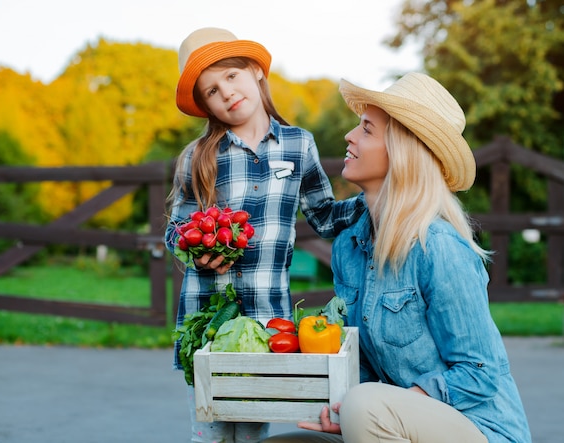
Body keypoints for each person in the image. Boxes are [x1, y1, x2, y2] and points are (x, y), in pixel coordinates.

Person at [261, 73, 532, 442]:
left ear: (402, 152)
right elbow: (367, 369)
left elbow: (479, 372)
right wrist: (351, 411)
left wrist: (380, 407)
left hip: (482, 429)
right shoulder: (349, 247)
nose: (350, 137)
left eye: (367, 130)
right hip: (394, 419)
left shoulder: (438, 247)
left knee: (365, 404)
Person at [165, 27, 361, 443]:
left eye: (231, 76)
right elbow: (176, 229)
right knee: (213, 429)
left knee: (253, 429)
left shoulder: (298, 145)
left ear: (254, 71)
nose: (227, 94)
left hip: (264, 319)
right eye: (212, 91)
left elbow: (325, 217)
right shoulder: (197, 157)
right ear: (206, 107)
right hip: (206, 323)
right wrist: (193, 252)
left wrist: (375, 200)